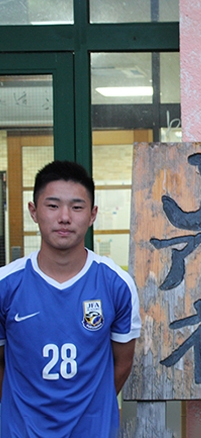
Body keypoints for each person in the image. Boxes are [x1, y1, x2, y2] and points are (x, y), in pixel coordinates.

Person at [0, 160, 141, 437]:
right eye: (52, 206)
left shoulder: (116, 284)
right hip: (20, 430)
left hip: (94, 430)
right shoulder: (6, 285)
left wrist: (89, 406)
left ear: (92, 215)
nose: (64, 217)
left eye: (77, 207)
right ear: (34, 211)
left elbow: (122, 362)